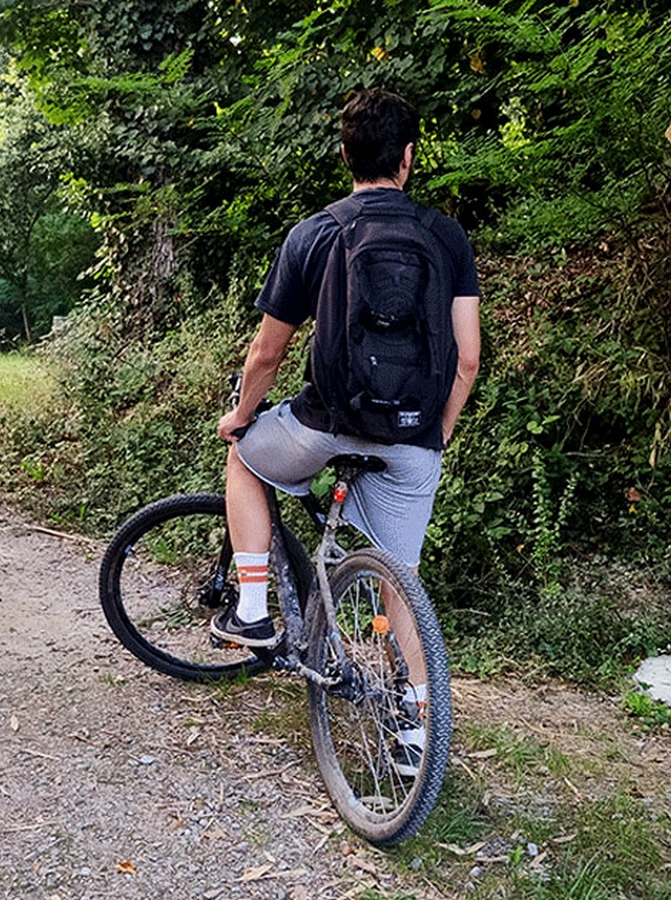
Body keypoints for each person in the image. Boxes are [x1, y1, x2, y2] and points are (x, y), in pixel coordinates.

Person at [211, 88, 481, 773]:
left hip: (324, 426)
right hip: (416, 437)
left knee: (245, 462)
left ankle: (251, 612)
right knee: (404, 583)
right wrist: (435, 436)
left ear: (345, 155)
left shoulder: (315, 233)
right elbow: (469, 356)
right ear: (409, 158)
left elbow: (266, 353)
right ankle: (417, 735)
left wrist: (241, 416)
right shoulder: (446, 237)